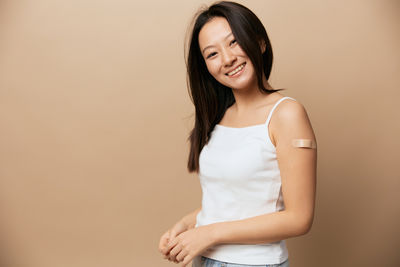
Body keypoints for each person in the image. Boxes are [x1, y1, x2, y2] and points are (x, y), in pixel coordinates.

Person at [158, 1, 317, 266]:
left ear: (260, 43)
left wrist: (209, 233)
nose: (228, 59)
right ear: (205, 67)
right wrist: (187, 225)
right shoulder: (219, 116)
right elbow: (234, 200)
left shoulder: (287, 114)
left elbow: (299, 218)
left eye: (234, 42)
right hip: (206, 259)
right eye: (212, 54)